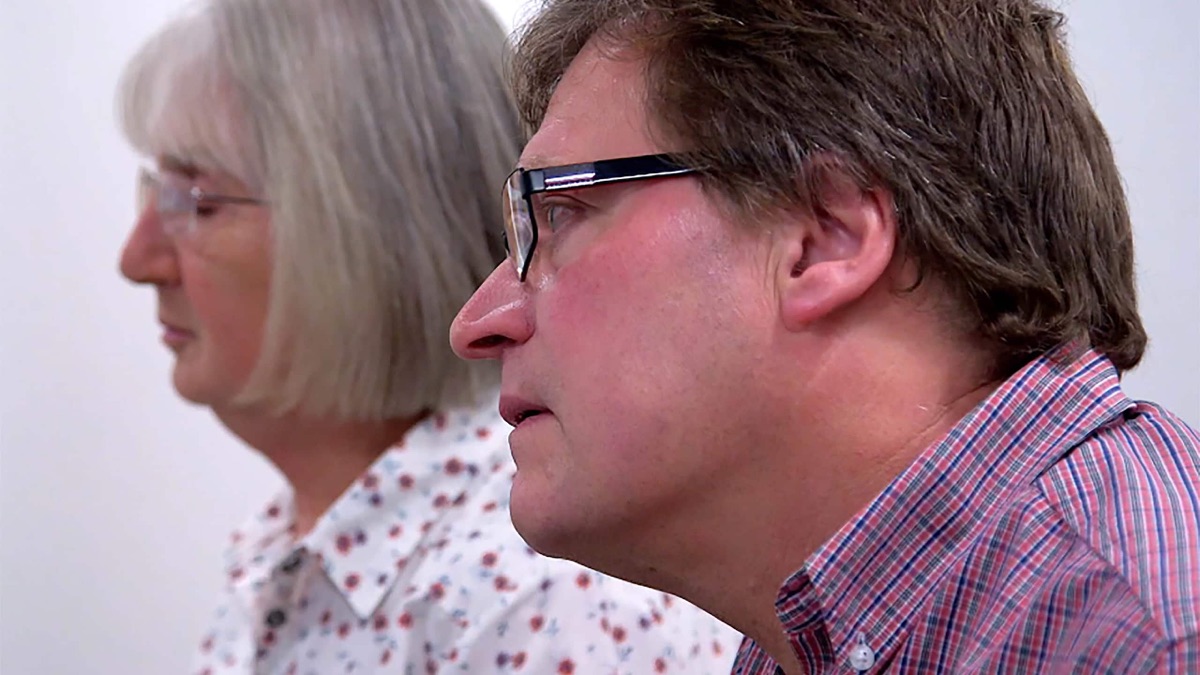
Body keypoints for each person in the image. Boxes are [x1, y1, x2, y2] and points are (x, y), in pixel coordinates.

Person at [449, 1, 1200, 673]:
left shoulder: (1151, 639)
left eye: (561, 213)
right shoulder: (830, 628)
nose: (476, 324)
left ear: (825, 238)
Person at [115, 0, 742, 672]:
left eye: (197, 201)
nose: (137, 260)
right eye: (155, 191)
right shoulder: (283, 553)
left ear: (369, 230)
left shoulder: (540, 599)